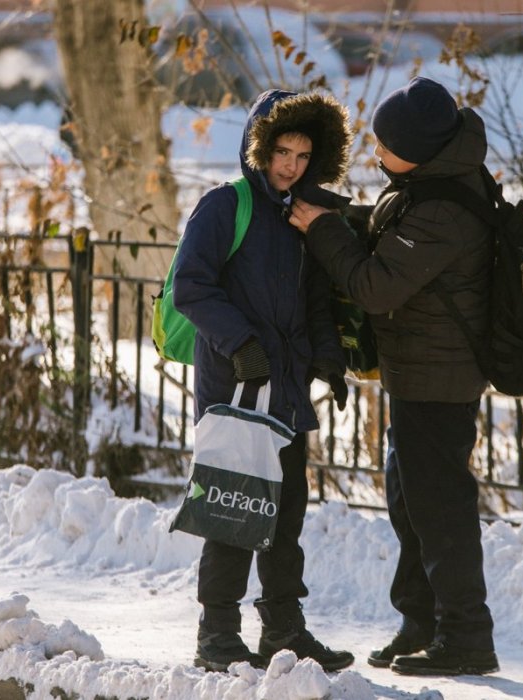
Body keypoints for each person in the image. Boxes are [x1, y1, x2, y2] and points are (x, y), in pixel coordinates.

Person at [287, 76, 500, 676]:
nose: (375, 153)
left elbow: (375, 285)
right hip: (419, 374)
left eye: (384, 143)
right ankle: (420, 620)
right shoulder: (429, 184)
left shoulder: (444, 208)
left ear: (418, 146)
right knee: (410, 501)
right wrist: (338, 214)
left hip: (442, 378)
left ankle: (466, 637)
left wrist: (323, 230)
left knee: (440, 508)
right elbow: (390, 241)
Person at [172, 88, 354, 673]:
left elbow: (317, 297)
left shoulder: (307, 213)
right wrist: (241, 344)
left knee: (288, 511)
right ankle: (217, 634)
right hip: (235, 383)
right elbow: (191, 286)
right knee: (232, 508)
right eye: (281, 151)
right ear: (258, 147)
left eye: (303, 156)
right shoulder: (225, 205)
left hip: (289, 386)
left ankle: (284, 630)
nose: (290, 166)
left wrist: (330, 359)